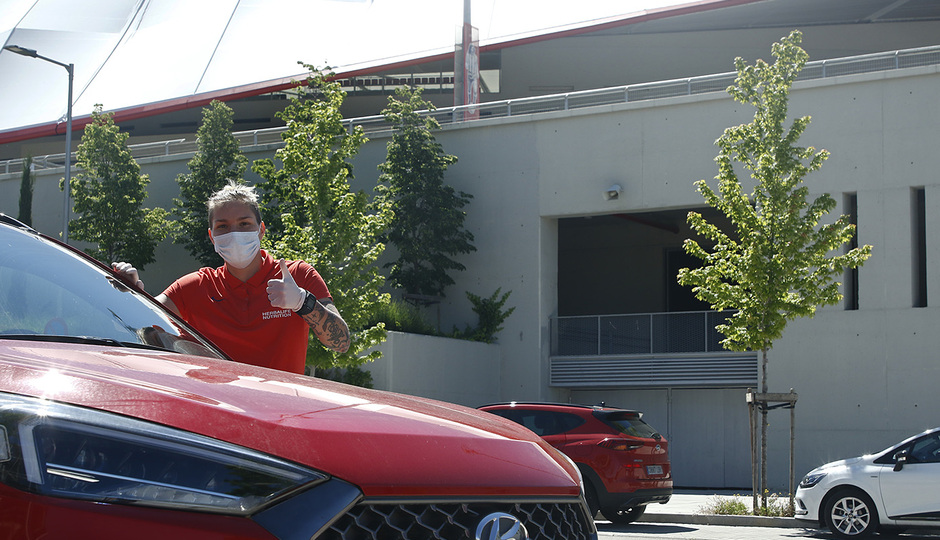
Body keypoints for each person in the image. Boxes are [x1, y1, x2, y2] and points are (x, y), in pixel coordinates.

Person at [113, 183, 349, 374]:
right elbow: (138, 328)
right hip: (216, 414)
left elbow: (341, 343)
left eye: (244, 224)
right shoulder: (195, 287)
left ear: (261, 229)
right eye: (223, 226)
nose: (234, 233)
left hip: (280, 412)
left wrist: (303, 302)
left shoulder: (298, 275)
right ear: (212, 236)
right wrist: (131, 293)